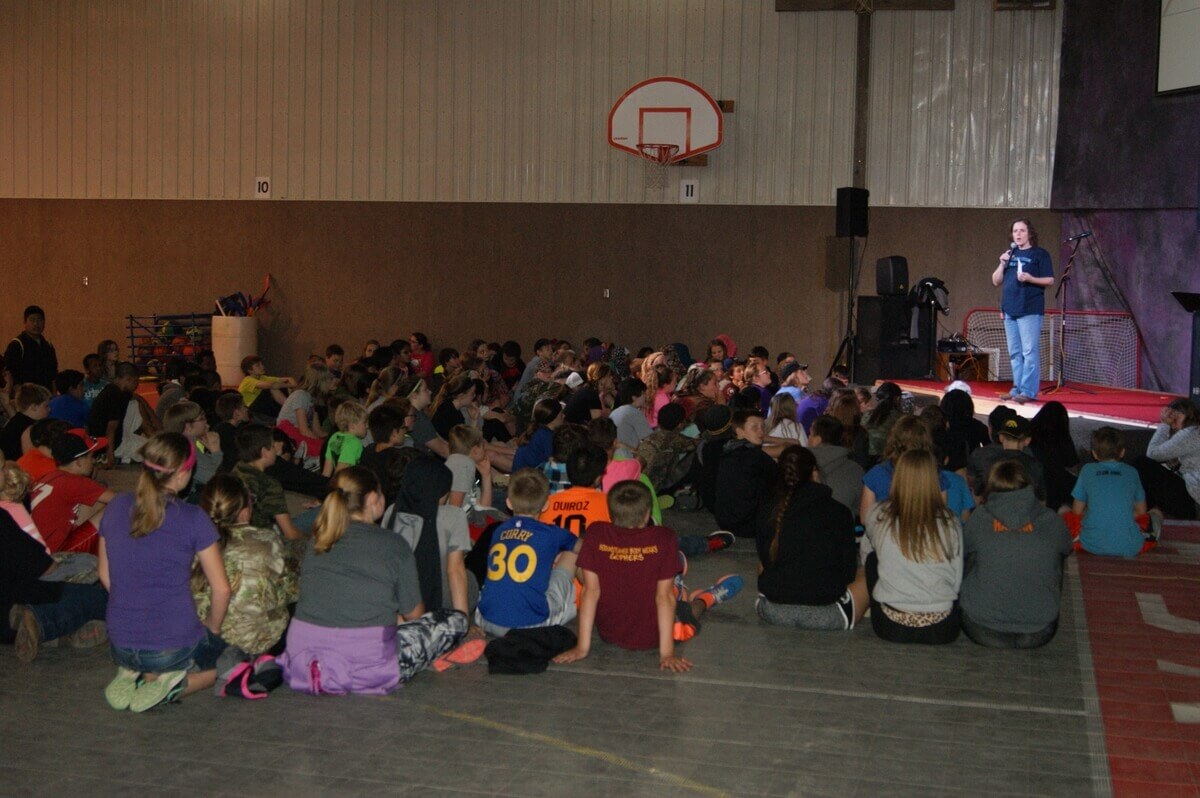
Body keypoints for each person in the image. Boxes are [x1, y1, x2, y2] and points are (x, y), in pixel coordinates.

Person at [276, 467, 473, 696]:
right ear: (371, 499)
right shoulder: (392, 544)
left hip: (306, 662)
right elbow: (415, 616)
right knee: (454, 620)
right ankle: (431, 654)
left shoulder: (317, 542)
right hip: (366, 668)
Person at [98, 433, 231, 712]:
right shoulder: (194, 517)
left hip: (120, 644)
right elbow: (221, 589)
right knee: (235, 658)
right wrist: (212, 629)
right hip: (171, 648)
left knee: (146, 648)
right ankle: (172, 681)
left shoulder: (116, 506)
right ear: (183, 474)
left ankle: (131, 671)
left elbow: (106, 577)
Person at [553, 480, 743, 672]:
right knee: (686, 614)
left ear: (610, 513)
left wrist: (582, 648)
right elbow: (664, 597)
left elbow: (590, 591)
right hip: (655, 636)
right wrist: (667, 653)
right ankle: (706, 598)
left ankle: (674, 577)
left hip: (610, 633)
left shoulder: (595, 533)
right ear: (647, 515)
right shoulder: (664, 537)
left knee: (587, 563)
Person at [960, 461, 1072, 648]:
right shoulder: (1051, 519)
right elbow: (1066, 548)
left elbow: (962, 552)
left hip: (980, 628)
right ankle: (1035, 602)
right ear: (1029, 485)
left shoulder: (979, 517)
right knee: (1055, 552)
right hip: (1039, 631)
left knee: (972, 551)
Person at [755, 446, 866, 630]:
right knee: (868, 571)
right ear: (814, 473)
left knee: (762, 563)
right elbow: (848, 572)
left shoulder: (768, 510)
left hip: (773, 610)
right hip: (828, 613)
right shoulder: (840, 512)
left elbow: (765, 561)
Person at [861, 449, 963, 645]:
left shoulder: (879, 514)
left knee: (873, 558)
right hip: (941, 628)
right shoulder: (950, 521)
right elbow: (956, 581)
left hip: (891, 626)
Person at [192, 475, 297, 655]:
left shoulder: (194, 541)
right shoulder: (267, 540)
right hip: (258, 642)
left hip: (206, 638)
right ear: (244, 511)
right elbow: (288, 591)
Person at [475, 469, 582, 636]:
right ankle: (569, 610)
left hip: (485, 618)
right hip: (530, 625)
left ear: (509, 503)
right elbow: (583, 549)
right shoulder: (551, 533)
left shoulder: (499, 530)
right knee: (572, 554)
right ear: (546, 504)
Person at [3, 508, 108, 663]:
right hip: (17, 599)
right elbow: (43, 566)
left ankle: (43, 628)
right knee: (102, 598)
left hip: (7, 623)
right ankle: (40, 620)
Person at [1067, 427, 1161, 557]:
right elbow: (1141, 511)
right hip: (1130, 545)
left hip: (1091, 543)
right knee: (1156, 513)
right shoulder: (1132, 472)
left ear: (1094, 453)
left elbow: (1076, 511)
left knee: (1066, 513)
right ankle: (1149, 534)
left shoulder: (1087, 470)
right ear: (1122, 452)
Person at [991, 217, 1054, 403]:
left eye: (1022, 231)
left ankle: (1028, 391)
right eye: (1015, 231)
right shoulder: (1010, 255)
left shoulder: (1040, 254)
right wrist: (1002, 262)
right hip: (1010, 310)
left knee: (1029, 352)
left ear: (1030, 233)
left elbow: (1049, 280)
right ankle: (1016, 388)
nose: (1018, 234)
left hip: (1029, 309)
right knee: (1015, 353)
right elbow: (996, 281)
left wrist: (1030, 278)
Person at [30, 430, 116, 554]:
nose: (94, 461)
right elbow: (121, 500)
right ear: (79, 462)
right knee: (115, 507)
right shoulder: (74, 482)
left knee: (97, 500)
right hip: (57, 554)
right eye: (91, 457)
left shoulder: (50, 477)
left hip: (41, 552)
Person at [232, 424, 304, 541]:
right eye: (272, 446)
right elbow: (290, 533)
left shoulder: (236, 469)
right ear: (264, 452)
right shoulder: (270, 485)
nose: (276, 449)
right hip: (263, 543)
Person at [714, 410, 779, 538]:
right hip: (747, 524)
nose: (761, 432)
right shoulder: (755, 456)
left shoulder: (728, 450)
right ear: (739, 431)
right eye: (755, 427)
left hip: (725, 520)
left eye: (762, 427)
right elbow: (778, 479)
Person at [1135, 398, 1200, 520]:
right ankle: (1145, 516)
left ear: (1188, 414)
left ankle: (1142, 517)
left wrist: (1164, 424)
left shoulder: (1191, 432)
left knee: (1142, 464)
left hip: (1195, 503)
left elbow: (1152, 454)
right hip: (1194, 498)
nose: (1172, 423)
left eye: (1175, 417)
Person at [276, 362, 336, 460]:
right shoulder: (300, 395)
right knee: (323, 451)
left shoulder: (312, 399)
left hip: (298, 435)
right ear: (321, 381)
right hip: (287, 436)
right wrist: (321, 444)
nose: (334, 381)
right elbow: (303, 430)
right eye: (330, 379)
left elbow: (318, 431)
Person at [807, 415, 864, 517]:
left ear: (817, 440)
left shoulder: (799, 464)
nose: (808, 438)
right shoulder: (856, 470)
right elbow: (860, 510)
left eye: (810, 434)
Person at [87, 362, 141, 467]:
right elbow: (111, 429)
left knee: (134, 403)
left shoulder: (114, 390)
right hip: (109, 445)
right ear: (128, 379)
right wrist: (110, 456)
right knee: (154, 452)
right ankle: (114, 456)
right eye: (135, 382)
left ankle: (121, 456)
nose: (136, 386)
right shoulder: (116, 396)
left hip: (105, 441)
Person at [1028, 401, 1079, 510]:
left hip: (1033, 478)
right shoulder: (1063, 438)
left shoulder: (1030, 432)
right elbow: (1072, 464)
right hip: (1055, 481)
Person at [162, 401, 223, 492]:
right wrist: (216, 451)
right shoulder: (185, 448)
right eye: (202, 418)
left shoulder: (184, 441)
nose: (206, 421)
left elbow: (207, 464)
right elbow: (214, 479)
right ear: (187, 427)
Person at [4, 306, 58, 393]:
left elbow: (53, 375)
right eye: (32, 320)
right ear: (25, 322)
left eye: (39, 320)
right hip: (24, 398)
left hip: (45, 396)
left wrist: (54, 396)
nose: (36, 324)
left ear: (44, 323)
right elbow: (10, 373)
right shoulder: (17, 344)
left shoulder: (48, 346)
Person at [237, 356, 295, 421]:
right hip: (251, 410)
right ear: (250, 370)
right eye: (258, 365)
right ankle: (291, 408)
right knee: (272, 387)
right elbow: (271, 385)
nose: (262, 367)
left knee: (280, 387)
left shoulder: (262, 378)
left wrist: (291, 383)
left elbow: (287, 379)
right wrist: (289, 385)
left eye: (261, 364)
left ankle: (290, 409)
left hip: (262, 408)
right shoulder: (247, 380)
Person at [1, 383, 51, 460]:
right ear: (34, 407)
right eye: (46, 406)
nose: (49, 409)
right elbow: (30, 459)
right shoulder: (29, 429)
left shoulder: (17, 419)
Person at [322, 400, 369, 477]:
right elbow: (340, 473)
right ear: (352, 425)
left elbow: (326, 473)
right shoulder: (353, 443)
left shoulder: (335, 436)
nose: (367, 426)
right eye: (364, 423)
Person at [609, 377, 653, 450]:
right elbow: (649, 438)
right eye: (643, 393)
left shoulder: (614, 412)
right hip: (631, 456)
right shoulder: (634, 413)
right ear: (634, 397)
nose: (645, 396)